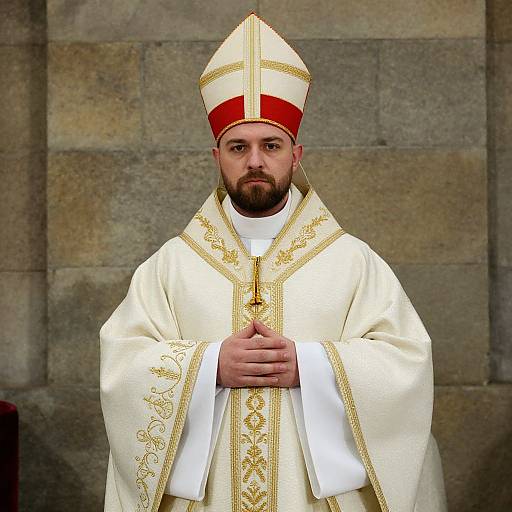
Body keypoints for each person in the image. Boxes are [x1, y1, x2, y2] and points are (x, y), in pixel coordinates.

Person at [100, 12, 447, 512]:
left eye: (271, 145)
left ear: (295, 153)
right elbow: (122, 365)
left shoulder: (352, 263)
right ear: (216, 155)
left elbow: (406, 364)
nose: (255, 161)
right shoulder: (170, 268)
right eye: (239, 147)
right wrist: (209, 365)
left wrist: (310, 365)